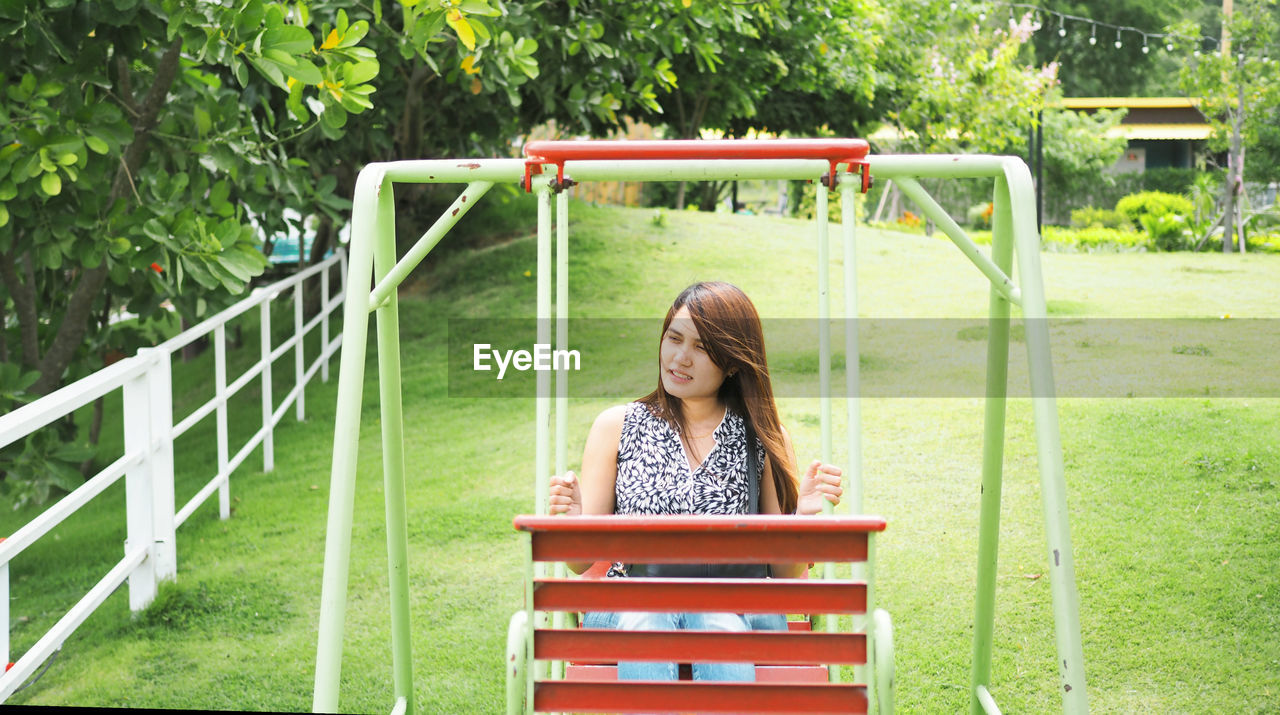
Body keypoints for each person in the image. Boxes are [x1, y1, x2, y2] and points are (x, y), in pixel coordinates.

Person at [547, 281, 844, 682]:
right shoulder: (616, 427)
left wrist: (804, 520)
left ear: (734, 363)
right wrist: (576, 519)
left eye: (702, 348)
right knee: (647, 621)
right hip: (632, 603)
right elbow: (579, 562)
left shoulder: (763, 437)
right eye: (674, 338)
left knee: (715, 619)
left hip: (742, 609)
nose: (680, 358)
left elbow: (785, 572)